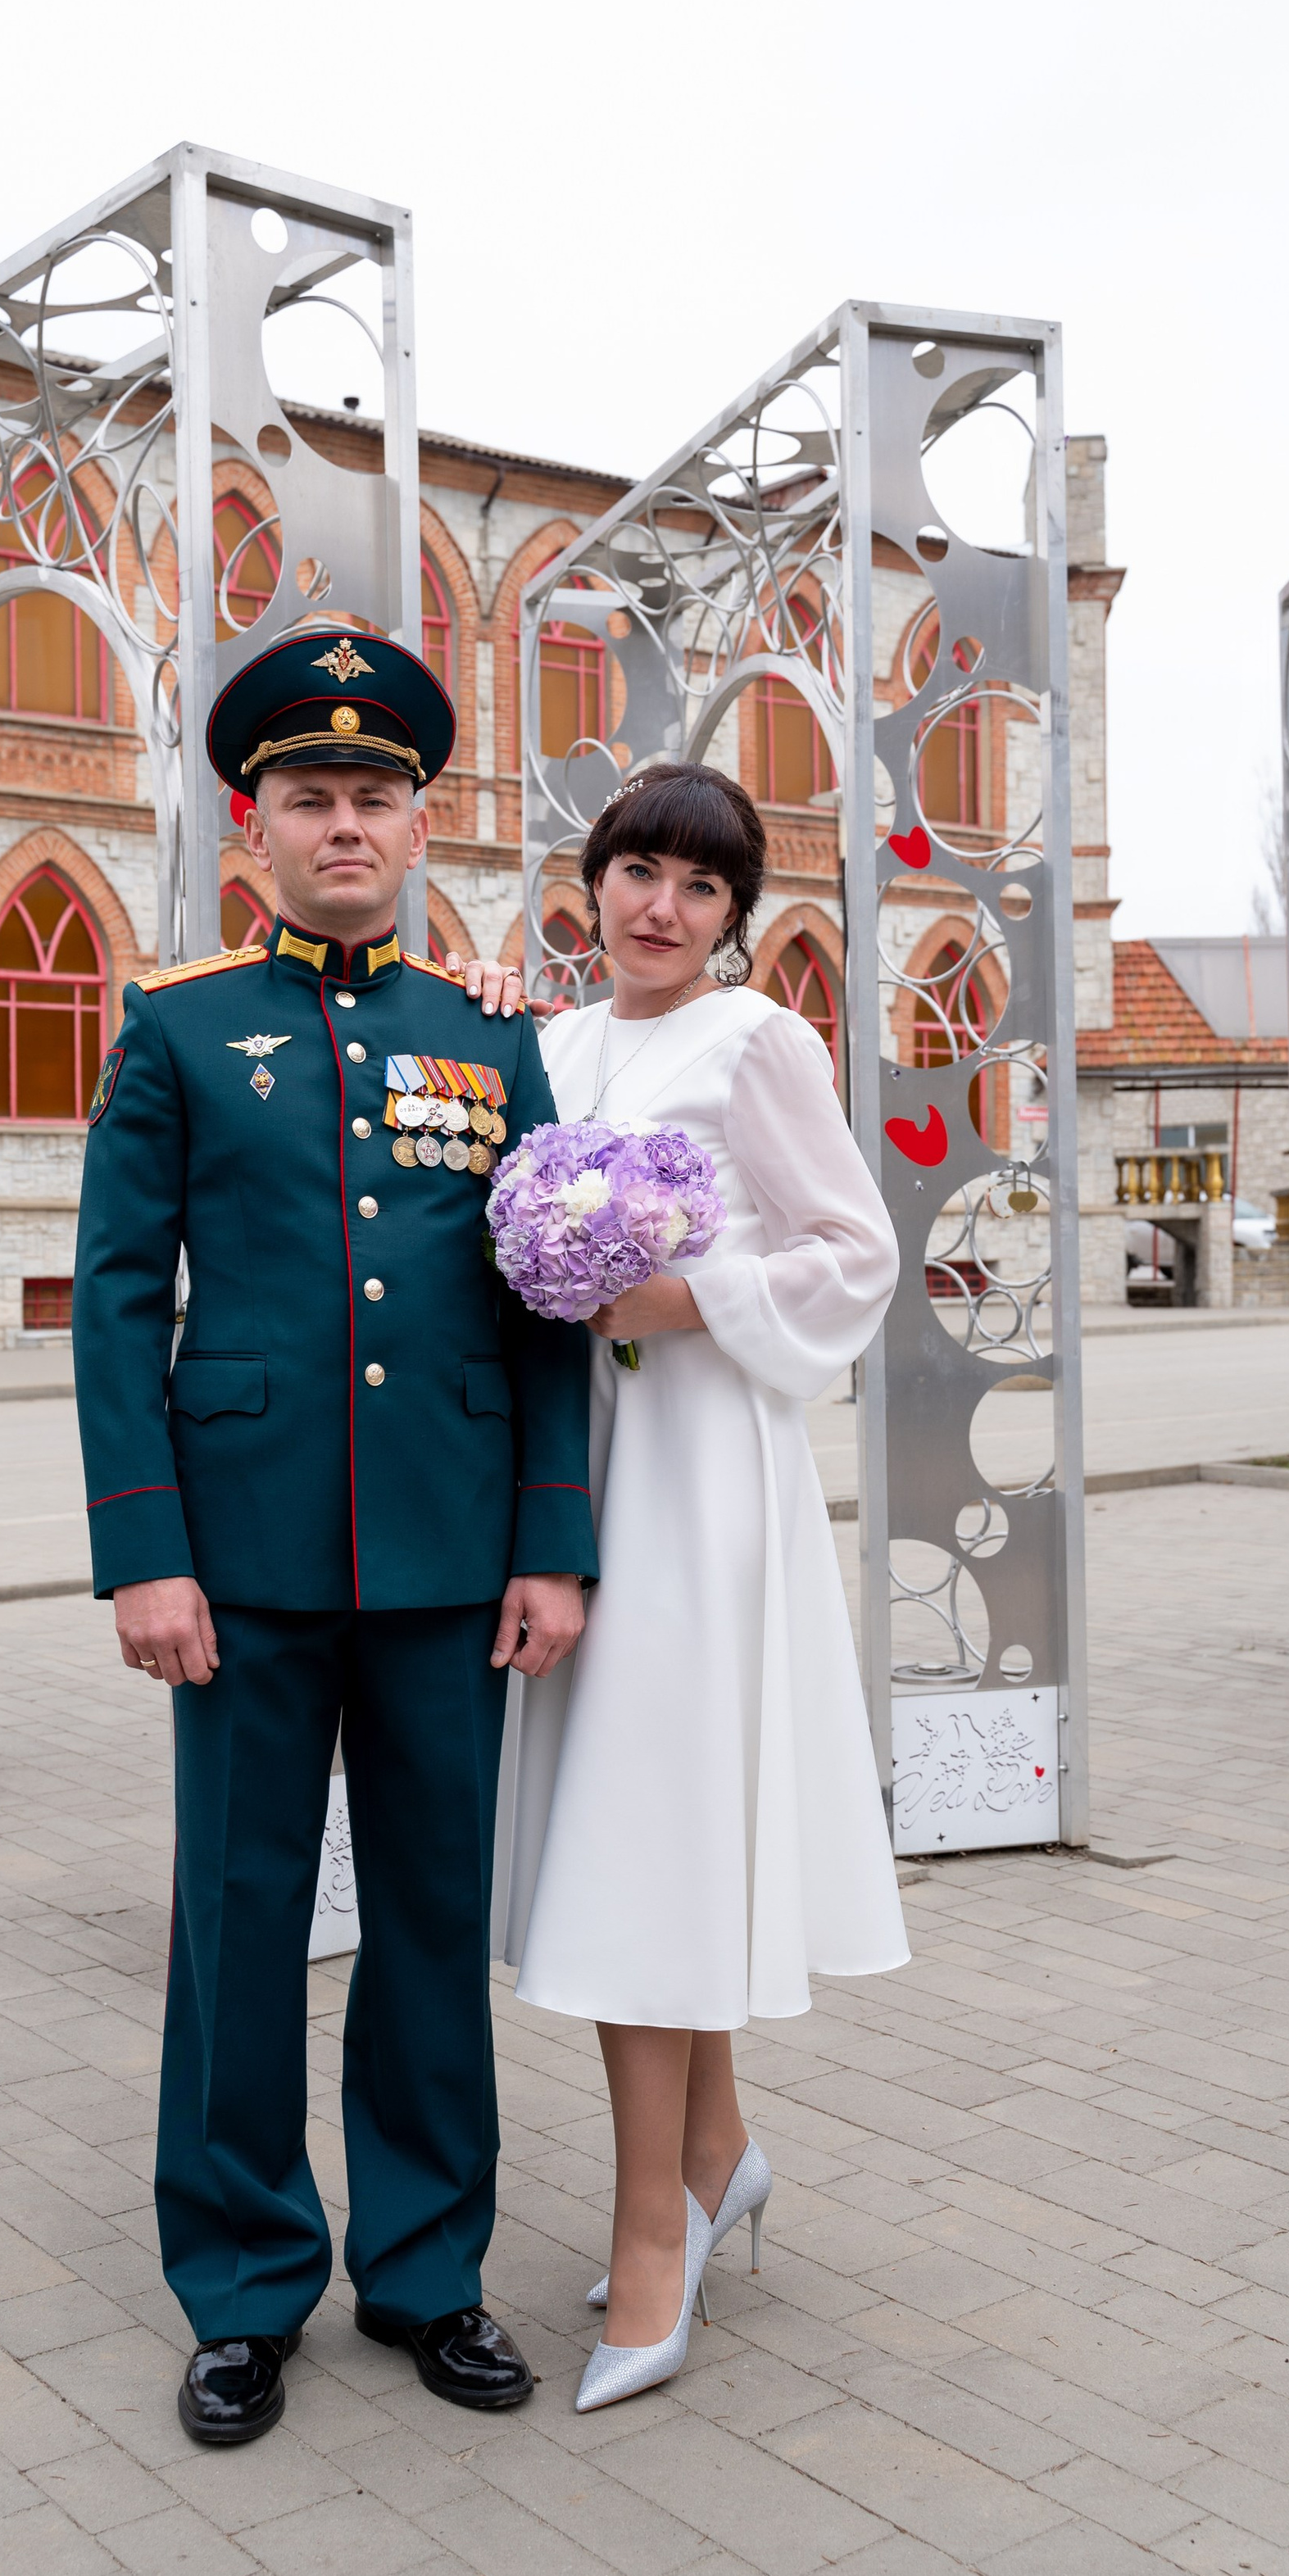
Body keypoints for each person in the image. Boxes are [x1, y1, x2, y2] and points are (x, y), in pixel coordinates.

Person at [72, 610, 597, 2448]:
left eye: (376, 796)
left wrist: (553, 1542)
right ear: (255, 823)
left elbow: (543, 1307)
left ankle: (430, 2269)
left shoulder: (491, 1044)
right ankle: (237, 2283)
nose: (346, 825)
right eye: (312, 796)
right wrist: (143, 1547)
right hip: (237, 1561)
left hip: (453, 1557)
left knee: (436, 1925)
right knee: (235, 1925)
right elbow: (119, 1296)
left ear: (418, 825)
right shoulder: (180, 1029)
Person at [491, 760, 909, 2412]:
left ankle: (651, 2238)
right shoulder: (545, 1048)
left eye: (700, 886)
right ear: (590, 880)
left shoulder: (758, 1042)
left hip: (699, 1471)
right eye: (636, 872)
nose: (660, 908)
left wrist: (689, 1294)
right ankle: (713, 2151)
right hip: (575, 1467)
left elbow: (851, 1246)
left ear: (734, 918)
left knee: (645, 1836)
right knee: (631, 1828)